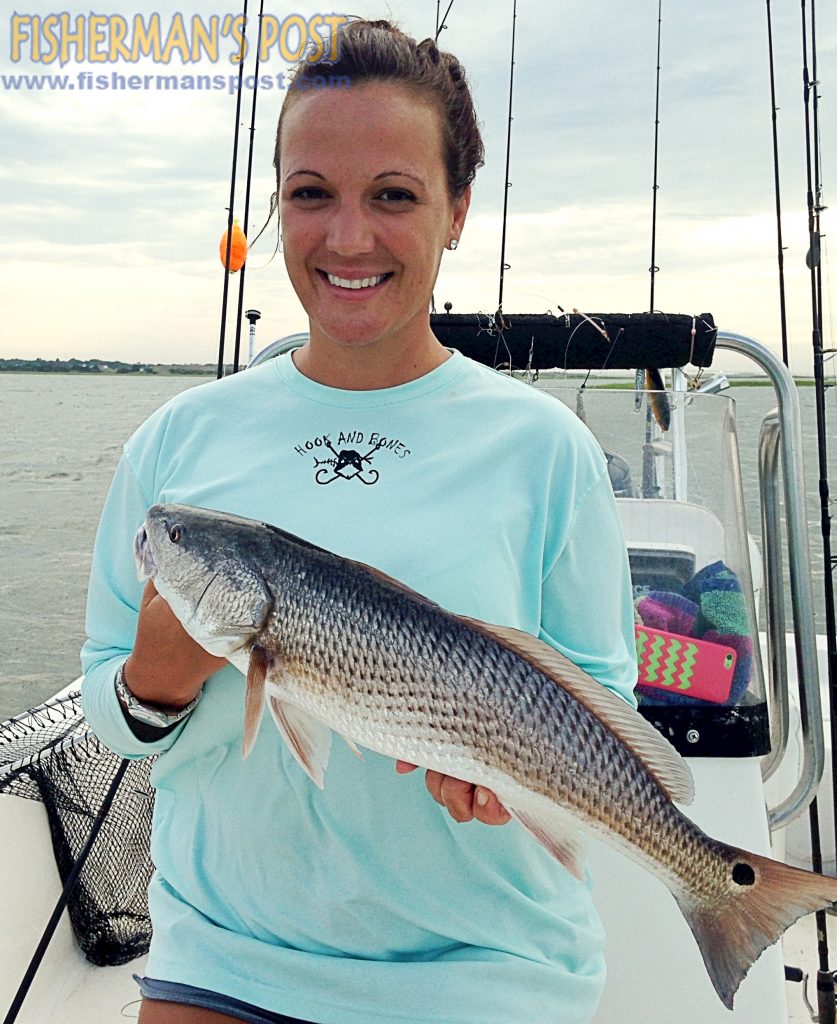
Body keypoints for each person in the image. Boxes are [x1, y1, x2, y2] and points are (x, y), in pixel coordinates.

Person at [81, 18, 637, 1024]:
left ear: (457, 208)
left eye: (393, 195)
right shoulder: (175, 446)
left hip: (487, 963)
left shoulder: (544, 448)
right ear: (277, 207)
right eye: (310, 194)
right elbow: (113, 714)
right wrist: (152, 683)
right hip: (224, 950)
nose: (347, 237)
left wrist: (518, 782)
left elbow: (596, 690)